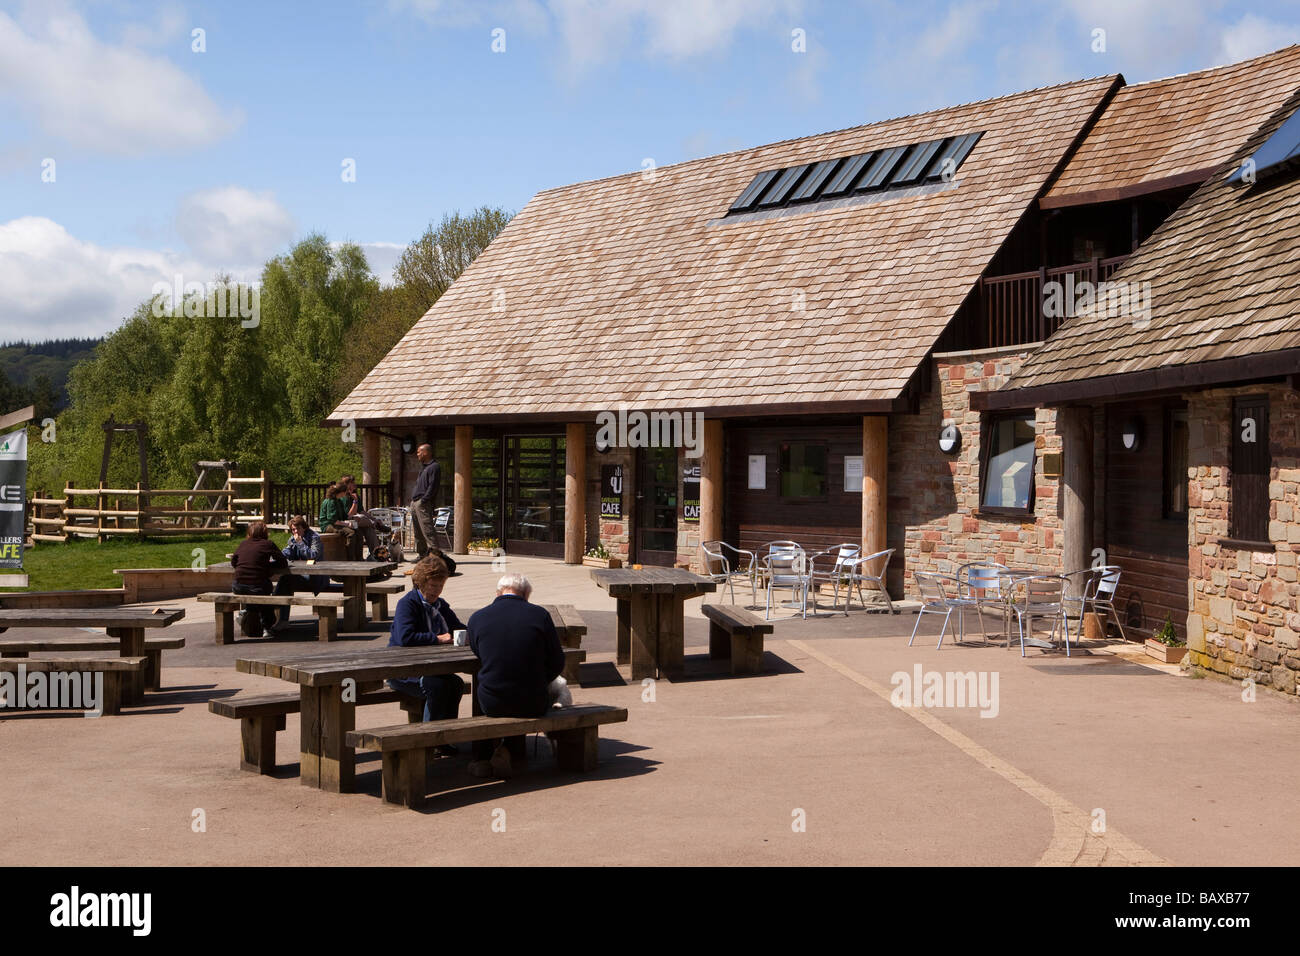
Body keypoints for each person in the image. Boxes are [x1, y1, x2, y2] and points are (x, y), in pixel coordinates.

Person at [466, 572, 566, 779]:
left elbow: (478, 652)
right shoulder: (540, 615)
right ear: (526, 594)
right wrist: (538, 678)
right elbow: (557, 662)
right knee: (523, 690)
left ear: (497, 593)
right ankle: (511, 752)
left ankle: (483, 759)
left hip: (492, 702)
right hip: (533, 702)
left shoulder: (477, 617)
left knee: (488, 688)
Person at [387, 556, 465, 755]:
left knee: (455, 684)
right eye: (432, 585)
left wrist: (470, 634)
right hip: (404, 671)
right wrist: (437, 639)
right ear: (420, 583)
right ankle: (427, 742)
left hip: (433, 667)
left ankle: (445, 736)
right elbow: (405, 637)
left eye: (440, 585)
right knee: (437, 686)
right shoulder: (408, 604)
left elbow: (458, 627)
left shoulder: (440, 605)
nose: (436, 590)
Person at [272, 516, 337, 628]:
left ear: (304, 527)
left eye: (298, 529)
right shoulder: (293, 538)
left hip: (317, 577)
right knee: (285, 580)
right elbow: (287, 552)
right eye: (293, 530)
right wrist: (277, 557)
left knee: (285, 581)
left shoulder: (314, 538)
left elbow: (313, 556)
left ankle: (274, 607)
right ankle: (281, 616)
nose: (295, 532)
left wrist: (300, 543)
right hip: (302, 575)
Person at [231, 520, 288, 637]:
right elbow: (283, 563)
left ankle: (247, 614)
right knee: (264, 593)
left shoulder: (243, 544)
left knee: (255, 592)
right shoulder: (268, 544)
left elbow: (234, 562)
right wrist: (267, 567)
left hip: (237, 585)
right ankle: (266, 626)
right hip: (257, 586)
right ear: (265, 533)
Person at [409, 443, 442, 561]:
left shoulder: (434, 467)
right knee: (418, 532)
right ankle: (422, 555)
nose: (417, 454)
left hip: (422, 503)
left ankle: (436, 557)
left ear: (426, 452)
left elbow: (433, 486)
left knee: (427, 530)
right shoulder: (424, 467)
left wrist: (424, 500)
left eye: (419, 452)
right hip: (415, 502)